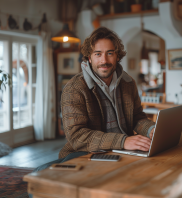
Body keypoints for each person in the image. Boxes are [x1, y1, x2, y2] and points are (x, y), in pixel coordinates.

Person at [34, 27, 155, 172]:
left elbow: (137, 117)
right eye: (98, 54)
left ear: (117, 56)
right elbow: (77, 136)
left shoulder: (128, 83)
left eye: (110, 53)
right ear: (89, 58)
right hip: (85, 154)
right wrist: (122, 141)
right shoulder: (74, 88)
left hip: (123, 152)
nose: (104, 60)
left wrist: (151, 129)